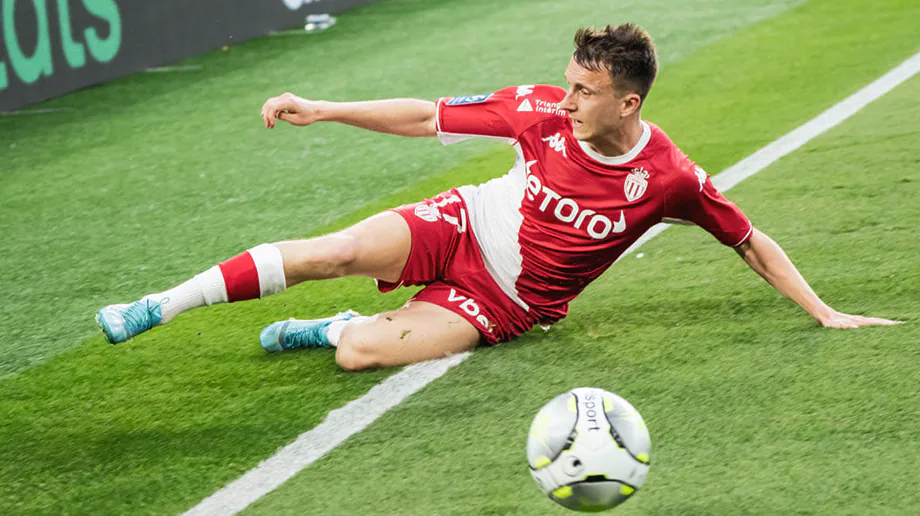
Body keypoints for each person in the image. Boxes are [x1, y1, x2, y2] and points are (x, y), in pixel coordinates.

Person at [95, 24, 900, 371]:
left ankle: (335, 325)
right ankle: (157, 306)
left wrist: (823, 311)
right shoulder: (538, 109)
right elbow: (427, 117)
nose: (567, 99)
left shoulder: (669, 178)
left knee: (357, 355)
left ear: (628, 103)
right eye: (569, 82)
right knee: (333, 251)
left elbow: (748, 238)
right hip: (461, 224)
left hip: (505, 305)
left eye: (585, 91)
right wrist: (326, 108)